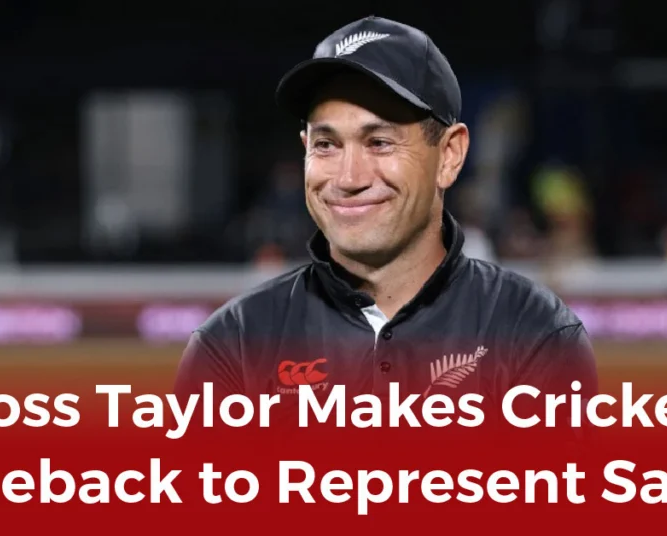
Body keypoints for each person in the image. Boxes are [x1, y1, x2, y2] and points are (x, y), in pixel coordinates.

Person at [175, 17, 596, 427]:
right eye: (326, 145)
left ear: (449, 155)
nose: (348, 178)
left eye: (379, 142)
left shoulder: (535, 332)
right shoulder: (233, 344)